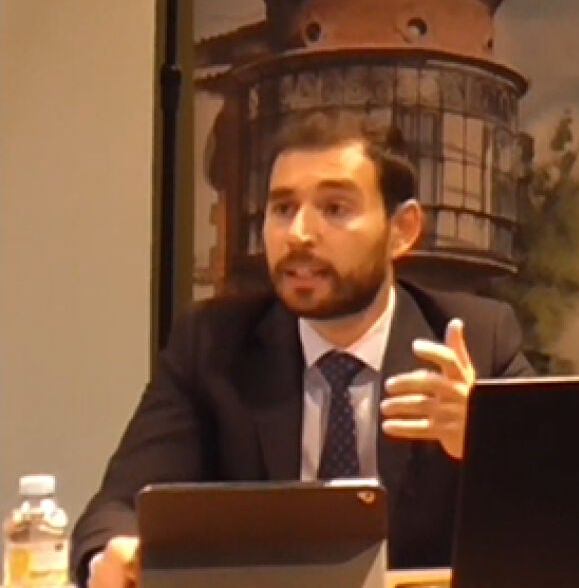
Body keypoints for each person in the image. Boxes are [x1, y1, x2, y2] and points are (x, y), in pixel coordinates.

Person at [72, 112, 534, 587]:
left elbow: (563, 511)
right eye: (282, 209)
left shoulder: (478, 344)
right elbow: (119, 506)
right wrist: (112, 557)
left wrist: (488, 443)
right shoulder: (211, 346)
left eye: (334, 208)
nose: (298, 234)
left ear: (402, 229)